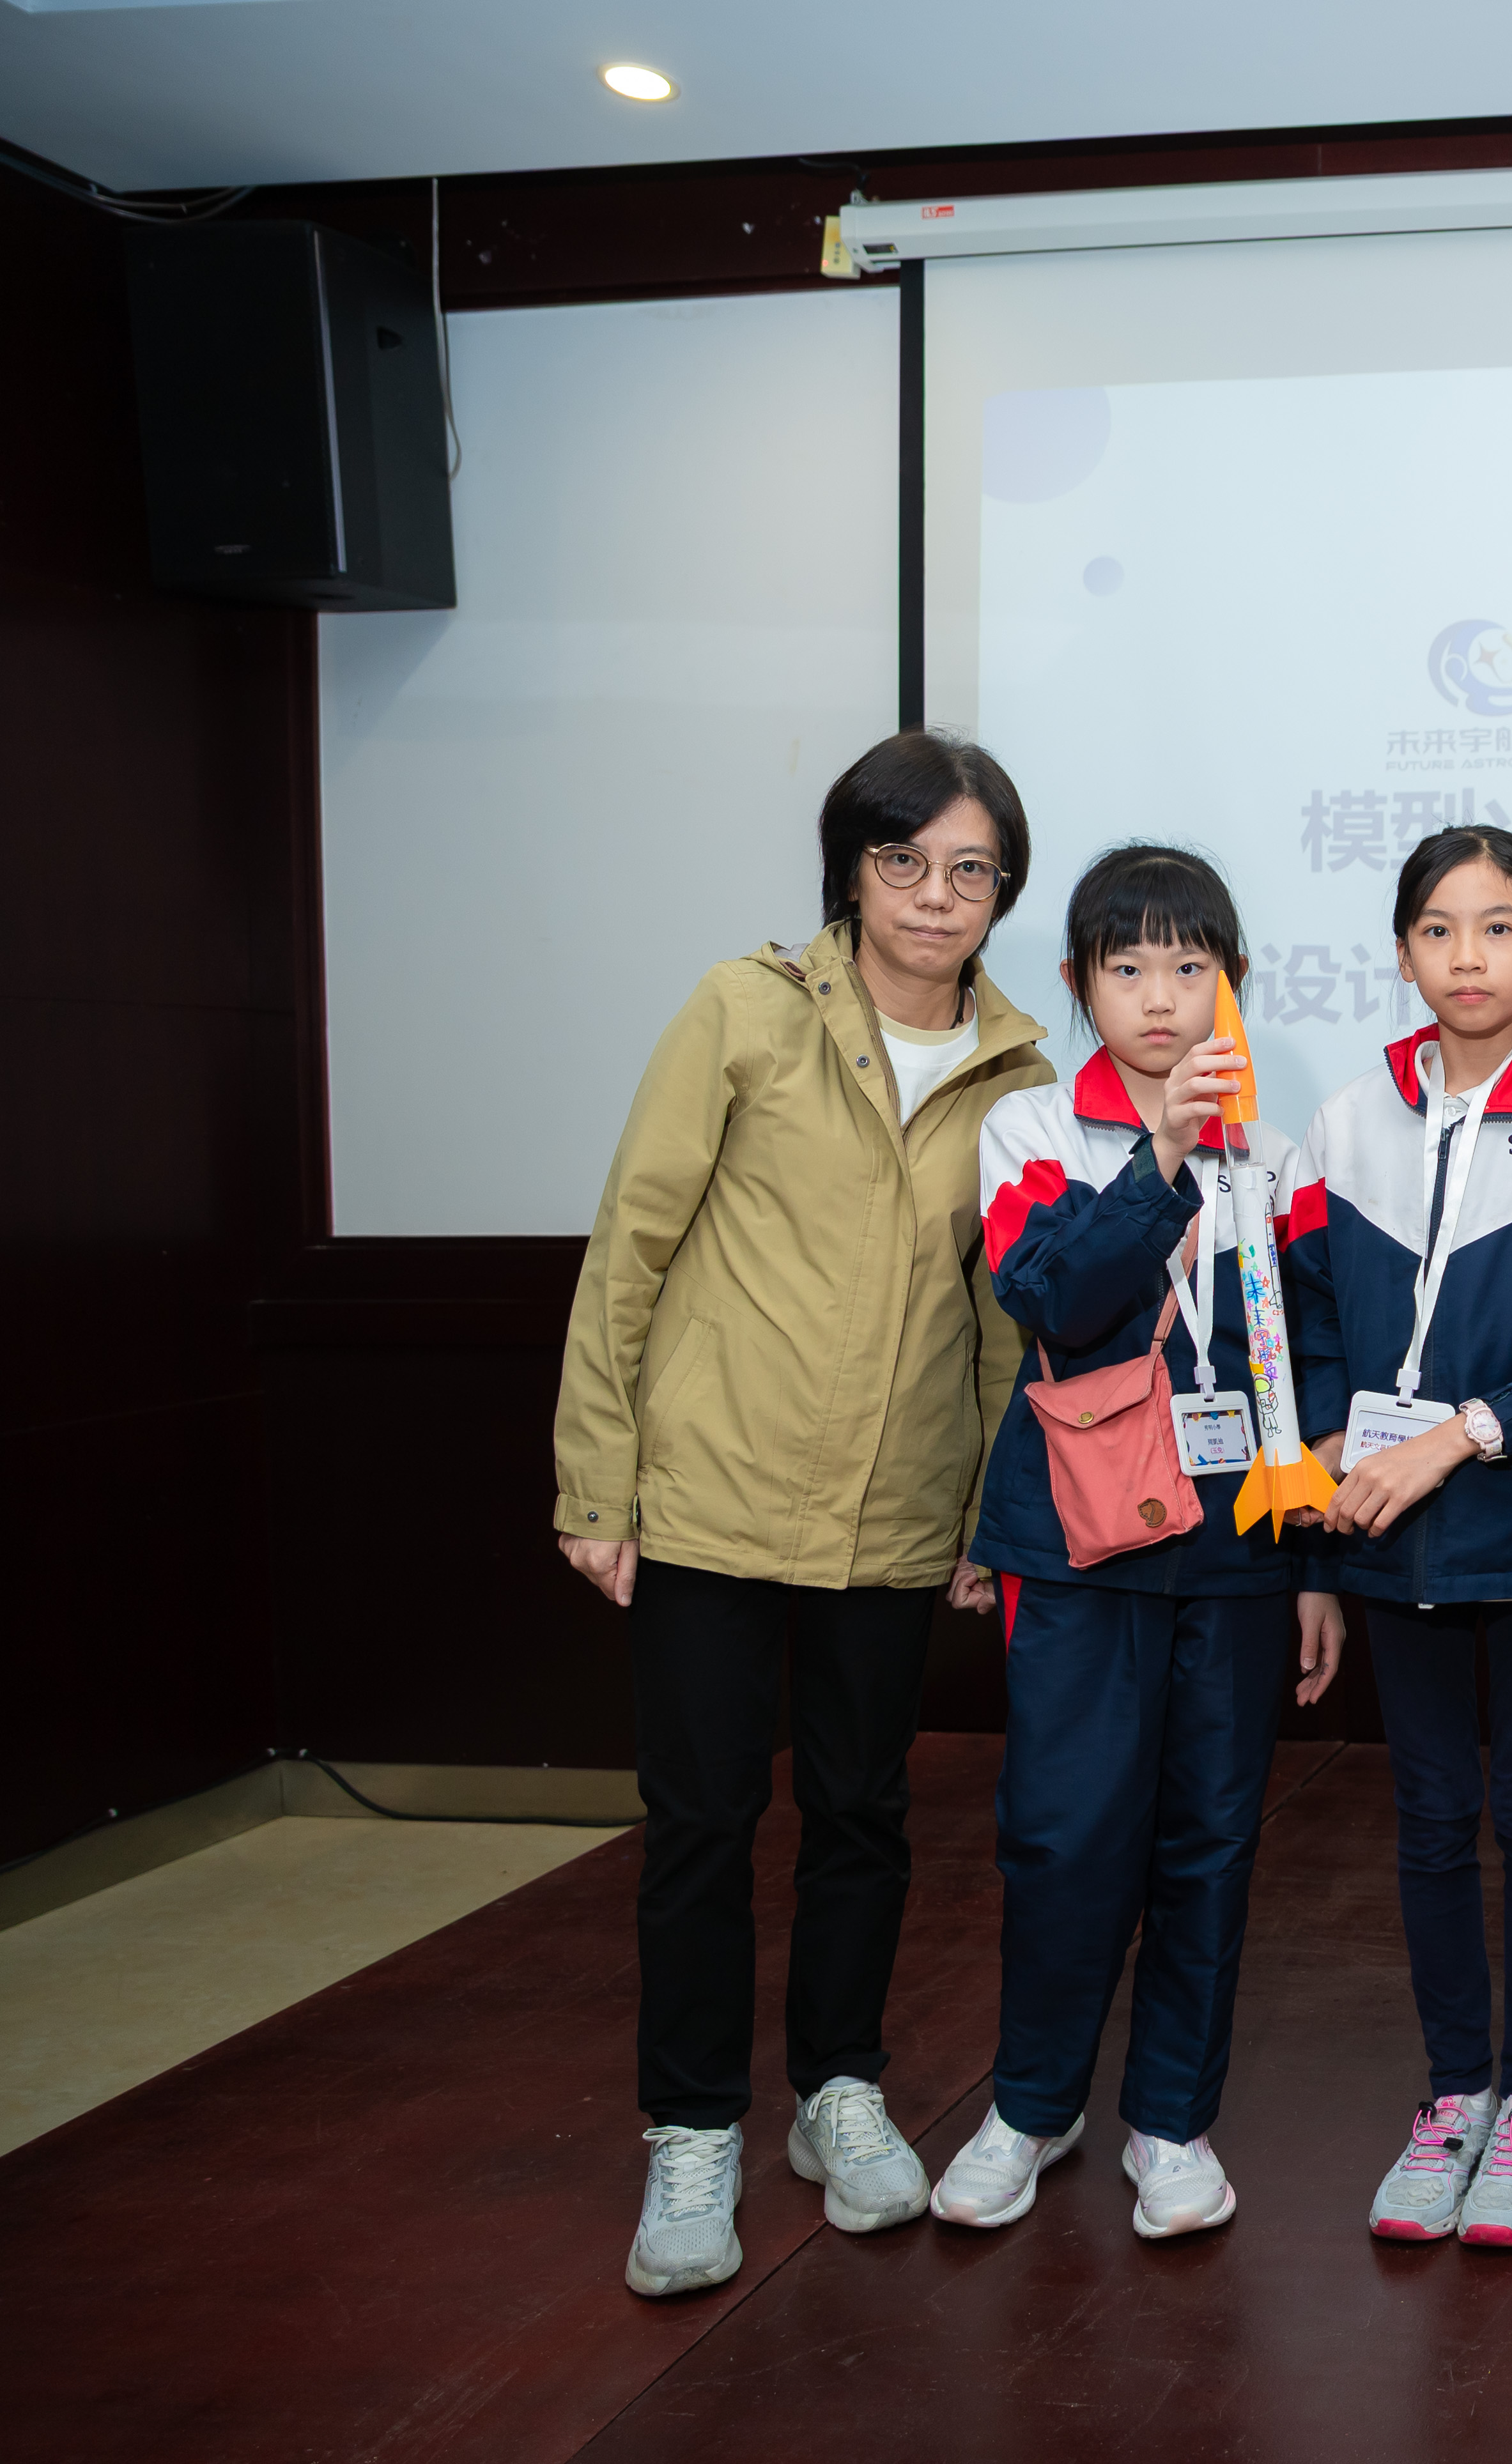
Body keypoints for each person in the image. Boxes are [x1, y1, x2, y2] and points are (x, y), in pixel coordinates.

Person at [555, 729, 1051, 2299]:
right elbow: (631, 1244)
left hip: (895, 1510)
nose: (935, 896)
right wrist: (597, 1477)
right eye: (905, 861)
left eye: (971, 870)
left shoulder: (1020, 1074)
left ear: (1002, 893)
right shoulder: (745, 1010)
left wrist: (985, 1510)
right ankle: (693, 2128)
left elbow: (1004, 1327)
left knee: (863, 1817)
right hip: (710, 1493)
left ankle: (840, 2091)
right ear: (851, 868)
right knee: (702, 1826)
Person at [923, 845, 1346, 2242]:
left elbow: (1311, 1367)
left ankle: (1172, 2120)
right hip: (1080, 1548)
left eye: (1189, 966)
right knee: (1063, 1837)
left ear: (1233, 980)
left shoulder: (1277, 1155)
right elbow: (1054, 1297)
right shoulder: (1034, 1129)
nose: (1161, 998)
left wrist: (1313, 1568)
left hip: (1238, 1553)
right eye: (1127, 968)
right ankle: (1032, 2107)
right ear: (1078, 984)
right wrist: (1161, 1153)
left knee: (1209, 1844)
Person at [1283, 827, 1512, 2249]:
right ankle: (1451, 2097)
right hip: (1387, 1533)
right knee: (1431, 1819)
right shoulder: (1345, 1122)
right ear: (1401, 953)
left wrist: (1473, 1434)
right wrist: (1326, 1493)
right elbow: (1306, 1321)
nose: (1468, 957)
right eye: (1438, 930)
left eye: (1499, 929)